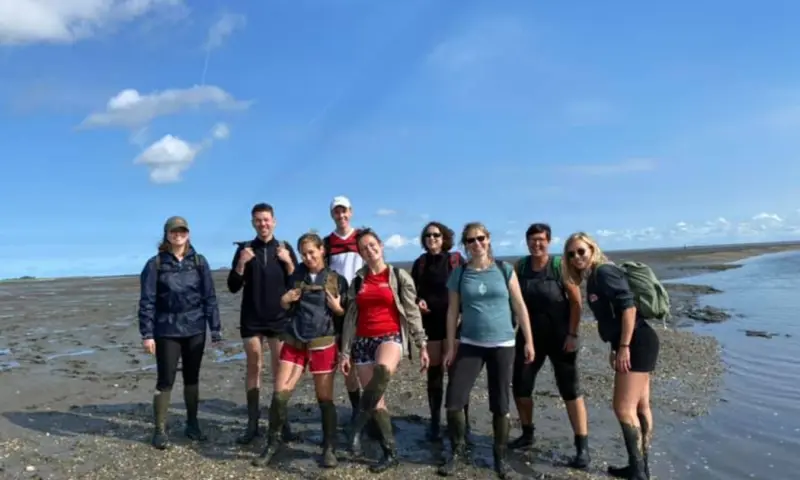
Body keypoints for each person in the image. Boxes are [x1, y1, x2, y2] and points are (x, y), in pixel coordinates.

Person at [439, 222, 534, 478]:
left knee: (500, 404)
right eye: (470, 240)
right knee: (454, 400)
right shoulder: (459, 273)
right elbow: (452, 312)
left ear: (488, 239)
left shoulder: (505, 270)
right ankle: (458, 452)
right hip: (470, 343)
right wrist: (450, 346)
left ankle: (499, 457)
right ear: (465, 245)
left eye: (480, 238)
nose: (476, 244)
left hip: (503, 345)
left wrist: (529, 341)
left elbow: (520, 306)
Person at [563, 232, 660, 480]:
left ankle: (638, 470)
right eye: (571, 254)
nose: (576, 257)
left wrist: (625, 346)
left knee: (623, 407)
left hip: (637, 342)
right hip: (635, 341)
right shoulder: (595, 277)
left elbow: (629, 307)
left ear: (592, 249)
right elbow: (614, 315)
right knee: (640, 407)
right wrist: (615, 346)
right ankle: (640, 467)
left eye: (581, 251)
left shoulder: (603, 273)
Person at [252, 232, 348, 469]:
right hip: (295, 341)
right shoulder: (295, 276)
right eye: (304, 254)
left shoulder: (337, 279)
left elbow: (345, 318)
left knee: (324, 398)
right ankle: (272, 444)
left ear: (322, 250)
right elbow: (285, 308)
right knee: (279, 394)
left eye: (311, 252)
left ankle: (329, 447)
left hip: (323, 344)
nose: (307, 257)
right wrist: (284, 301)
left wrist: (338, 308)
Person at [338, 229, 430, 473]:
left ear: (380, 245)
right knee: (377, 400)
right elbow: (350, 319)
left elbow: (411, 312)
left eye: (372, 245)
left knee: (382, 373)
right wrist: (345, 352)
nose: (369, 250)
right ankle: (391, 452)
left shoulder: (398, 276)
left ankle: (355, 427)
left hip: (389, 337)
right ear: (360, 253)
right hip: (362, 342)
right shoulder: (358, 281)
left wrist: (421, 344)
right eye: (363, 248)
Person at [508, 223, 590, 468]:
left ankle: (582, 446)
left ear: (549, 241)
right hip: (529, 339)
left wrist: (573, 334)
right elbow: (510, 299)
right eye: (532, 240)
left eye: (541, 240)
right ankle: (527, 433)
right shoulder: (520, 267)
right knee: (521, 388)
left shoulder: (559, 266)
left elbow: (576, 303)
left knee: (570, 390)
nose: (537, 244)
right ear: (527, 242)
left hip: (561, 338)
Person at [138, 216, 222, 450]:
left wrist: (214, 329)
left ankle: (192, 424)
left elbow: (210, 298)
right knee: (165, 379)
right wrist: (147, 334)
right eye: (174, 231)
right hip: (166, 329)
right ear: (167, 235)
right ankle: (159, 430)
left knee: (192, 378)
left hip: (195, 329)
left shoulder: (199, 262)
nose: (178, 235)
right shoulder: (155, 265)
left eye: (182, 231)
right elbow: (147, 301)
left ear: (188, 234)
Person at [227, 203, 298, 445]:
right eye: (258, 220)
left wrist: (288, 262)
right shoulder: (245, 250)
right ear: (252, 223)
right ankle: (252, 424)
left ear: (274, 221)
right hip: (252, 318)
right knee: (254, 366)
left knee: (280, 369)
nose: (263, 224)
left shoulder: (285, 248)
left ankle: (281, 420)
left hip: (279, 318)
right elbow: (233, 286)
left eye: (266, 220)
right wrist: (241, 263)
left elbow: (297, 285)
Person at [409, 221, 470, 441]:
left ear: (444, 238)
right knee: (434, 376)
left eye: (436, 235)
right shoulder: (421, 263)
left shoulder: (455, 261)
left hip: (455, 324)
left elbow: (466, 289)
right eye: (427, 236)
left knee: (457, 376)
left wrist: (463, 314)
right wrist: (418, 302)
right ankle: (435, 421)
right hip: (431, 324)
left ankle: (463, 422)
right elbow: (412, 292)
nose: (432, 239)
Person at [322, 196, 366, 423]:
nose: (341, 216)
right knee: (345, 358)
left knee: (366, 359)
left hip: (362, 304)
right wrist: (334, 302)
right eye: (337, 212)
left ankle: (372, 407)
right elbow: (326, 274)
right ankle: (357, 407)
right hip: (340, 305)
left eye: (344, 211)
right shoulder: (327, 243)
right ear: (332, 215)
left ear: (351, 212)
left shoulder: (361, 238)